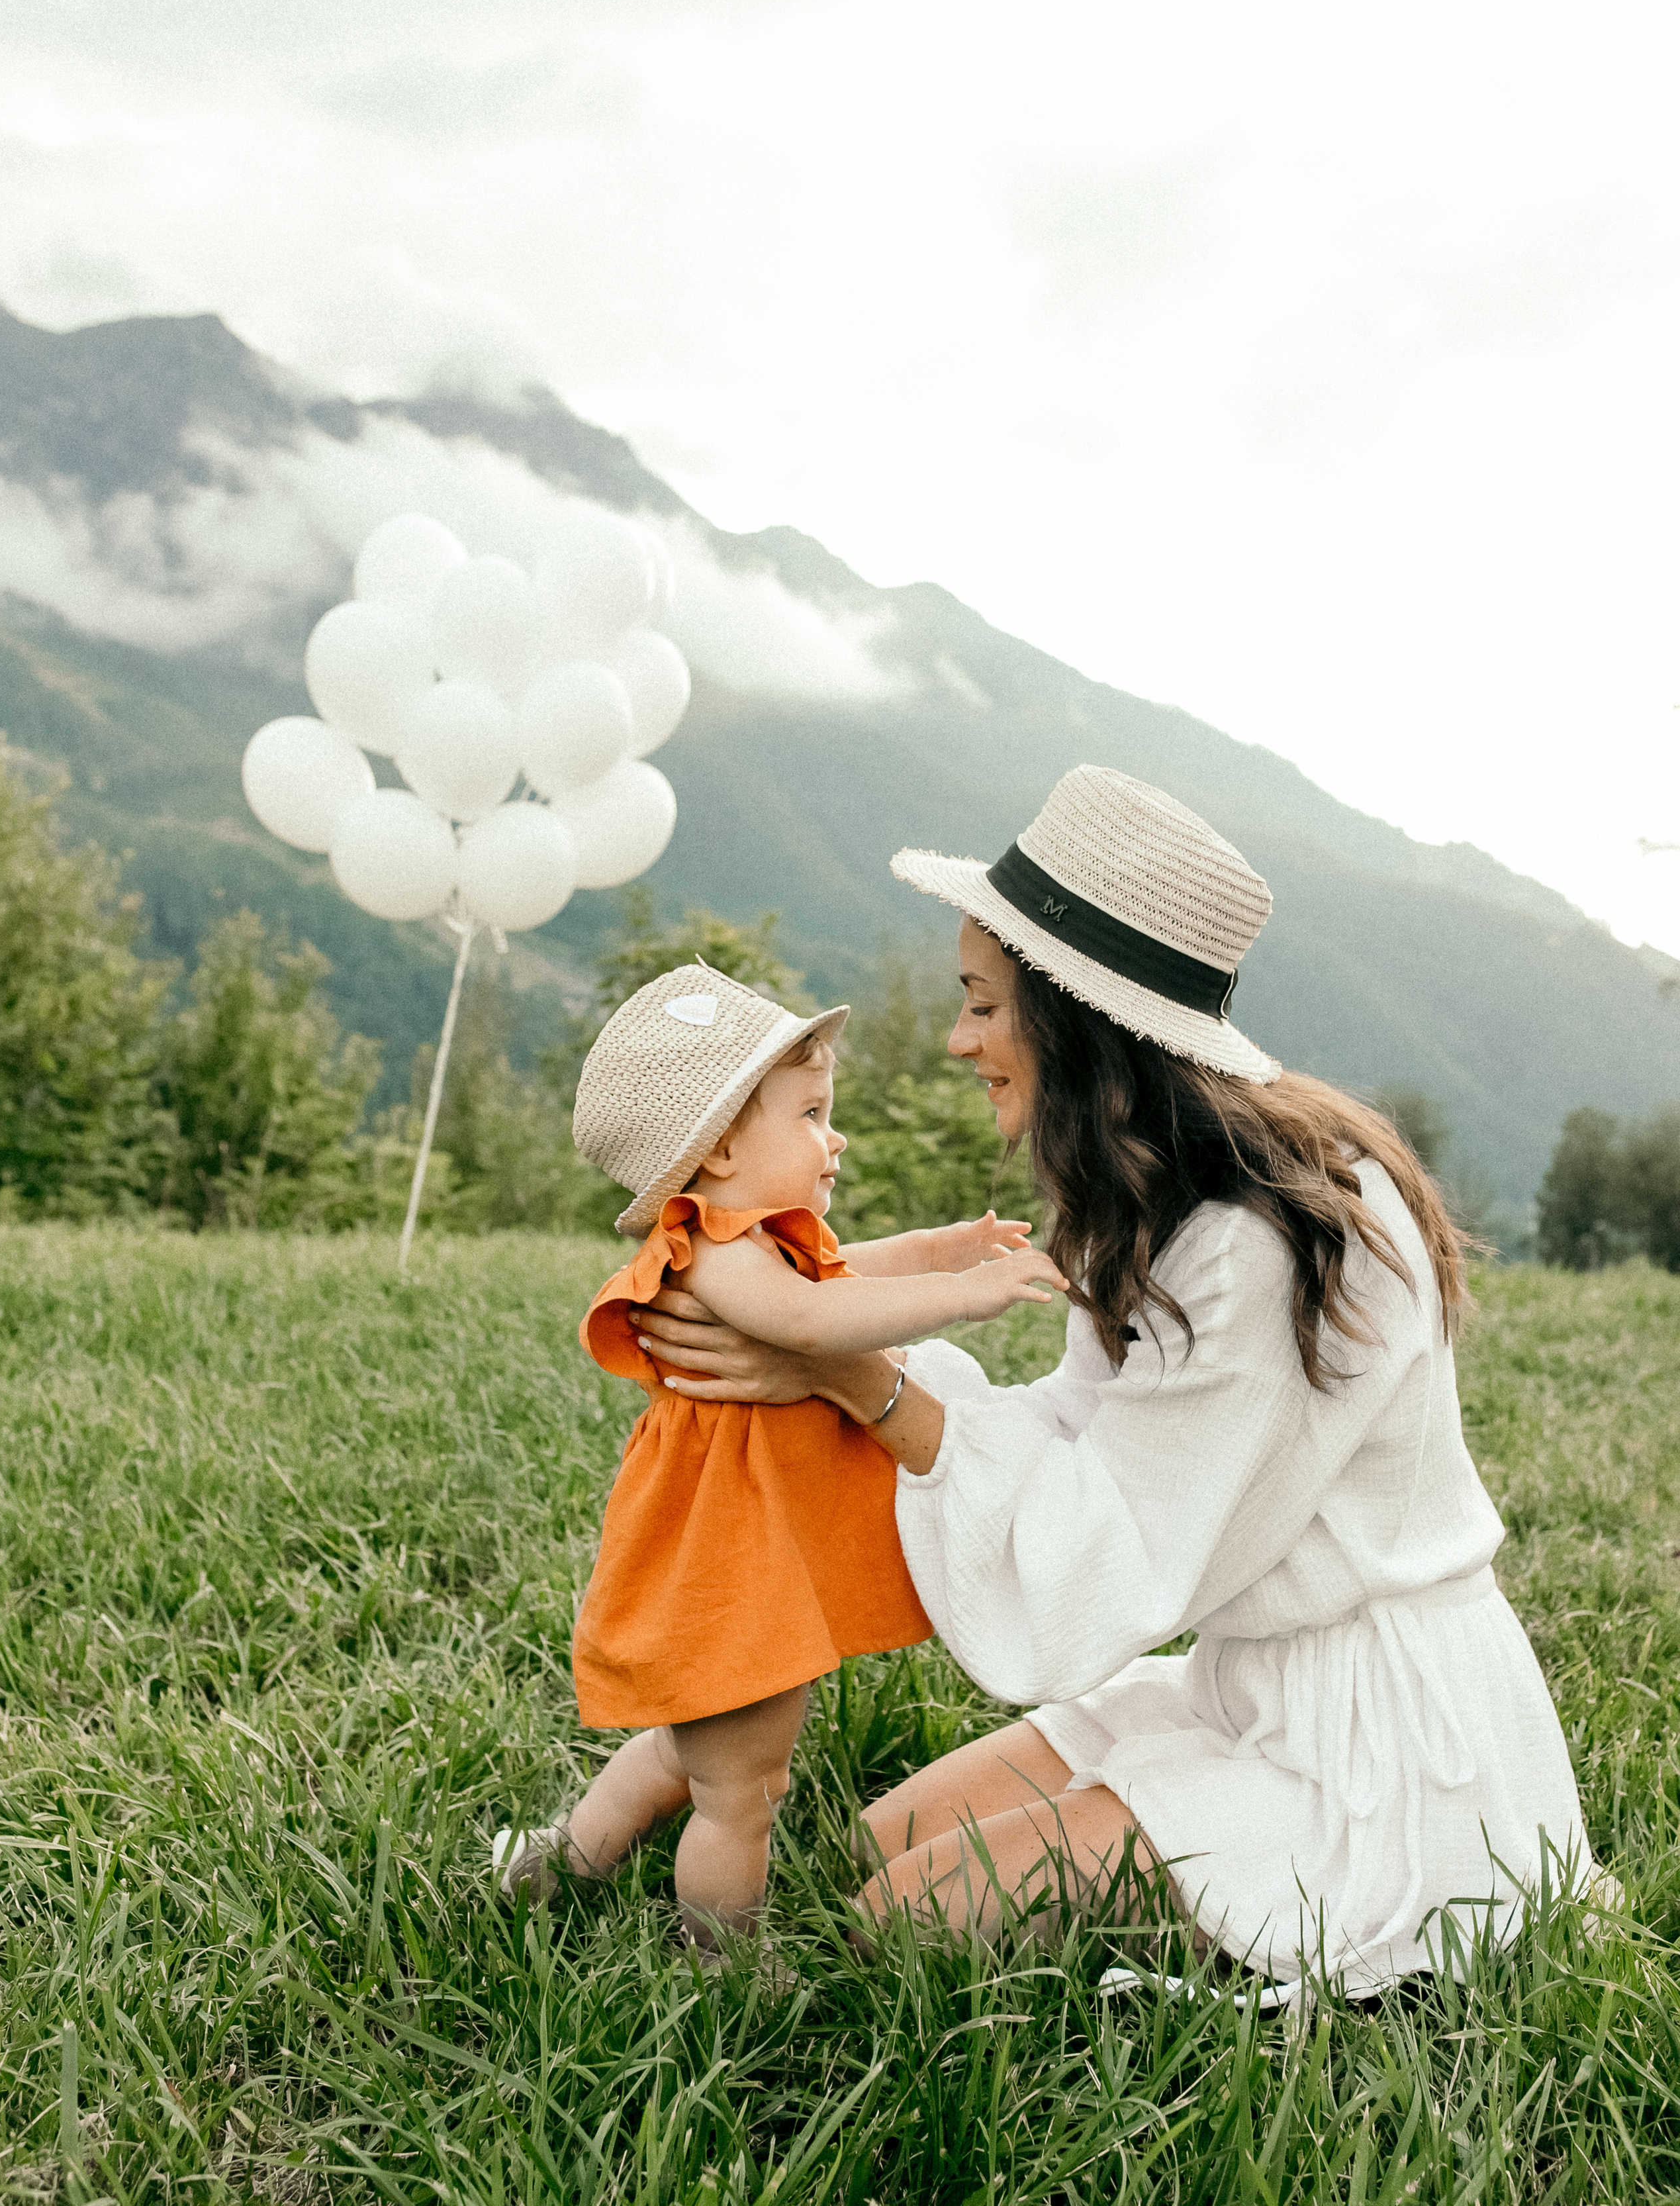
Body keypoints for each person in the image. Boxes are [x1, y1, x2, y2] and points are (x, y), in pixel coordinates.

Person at [633, 766, 1598, 1996]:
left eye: (982, 1004)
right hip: (1246, 1689)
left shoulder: (1269, 1244)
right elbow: (1085, 1433)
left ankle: (1440, 1877)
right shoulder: (1158, 1193)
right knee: (875, 1855)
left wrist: (853, 1376)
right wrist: (845, 1366)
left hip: (1386, 1748)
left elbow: (1112, 1551)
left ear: (1077, 1019)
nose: (957, 1038)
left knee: (900, 1926)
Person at [492, 959, 1065, 1950]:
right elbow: (810, 1317)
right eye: (809, 1115)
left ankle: (559, 1861)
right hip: (729, 1567)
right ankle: (721, 1956)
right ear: (715, 1154)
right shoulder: (713, 1252)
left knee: (688, 1751)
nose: (832, 1137)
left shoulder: (756, 1240)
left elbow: (843, 1269)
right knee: (740, 1793)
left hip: (741, 1557)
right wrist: (964, 1297)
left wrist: (940, 1249)